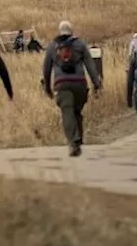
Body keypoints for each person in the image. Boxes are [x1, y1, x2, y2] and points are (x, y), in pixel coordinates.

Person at [41, 20, 103, 156]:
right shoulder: (80, 44)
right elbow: (90, 66)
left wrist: (47, 87)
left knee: (67, 112)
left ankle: (73, 142)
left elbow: (46, 68)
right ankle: (78, 138)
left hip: (61, 84)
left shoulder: (53, 46)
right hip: (79, 83)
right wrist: (96, 84)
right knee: (76, 111)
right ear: (72, 31)